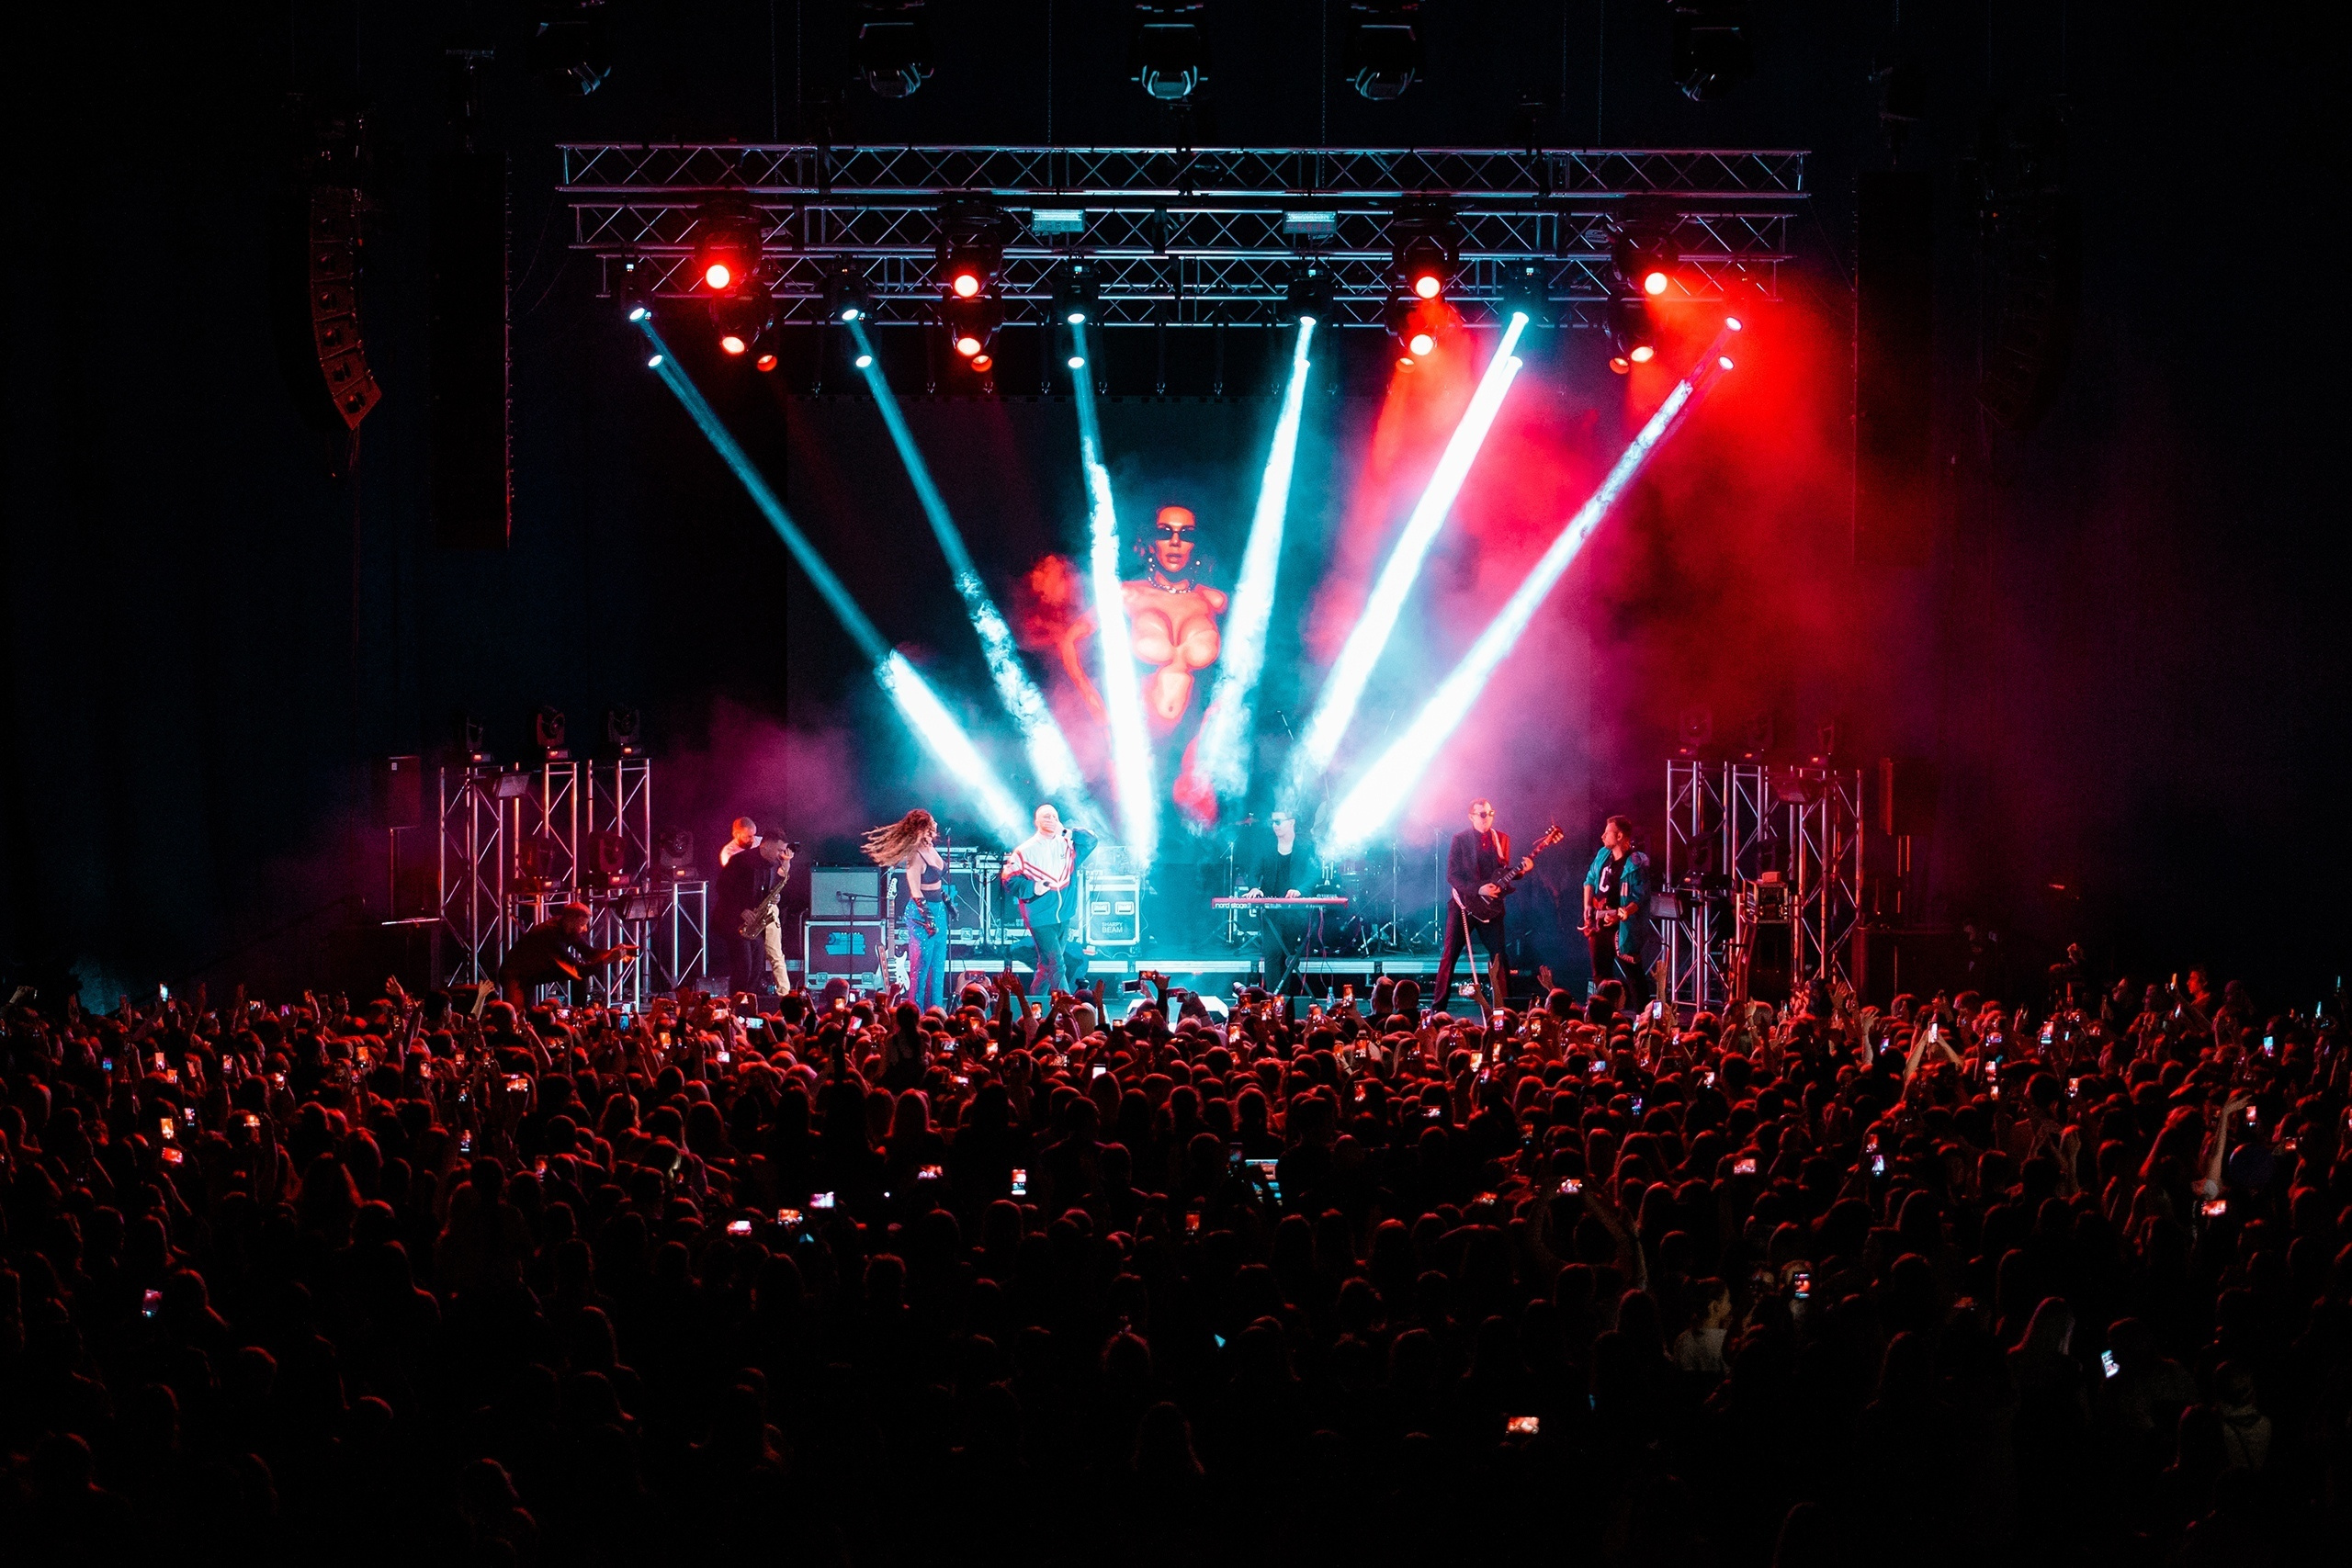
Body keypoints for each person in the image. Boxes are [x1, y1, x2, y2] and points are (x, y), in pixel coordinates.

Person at [1059, 504, 1227, 729]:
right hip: (1135, 733)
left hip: (1197, 736)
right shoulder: (1128, 595)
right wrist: (1093, 703)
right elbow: (1070, 641)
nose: (1175, 541)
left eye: (1186, 534)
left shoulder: (1214, 601)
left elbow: (1247, 659)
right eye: (1164, 532)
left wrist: (1220, 710)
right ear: (1150, 542)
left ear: (1195, 544)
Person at [1434, 799, 1530, 1013]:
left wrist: (1522, 871)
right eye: (1483, 814)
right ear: (1472, 817)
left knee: (1499, 957)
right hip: (1464, 905)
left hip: (1491, 909)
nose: (1488, 818)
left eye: (1491, 813)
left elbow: (1503, 873)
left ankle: (1506, 1009)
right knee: (1449, 955)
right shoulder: (1460, 840)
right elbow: (1452, 875)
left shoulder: (1501, 839)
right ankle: (1437, 1009)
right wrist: (1478, 889)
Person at [1000, 803, 1098, 996]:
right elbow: (1008, 880)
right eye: (1046, 816)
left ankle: (1034, 1004)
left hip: (1064, 916)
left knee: (1046, 967)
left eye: (1054, 817)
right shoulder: (1025, 850)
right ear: (1036, 821)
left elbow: (1092, 840)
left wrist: (1067, 832)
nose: (1051, 820)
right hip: (1040, 918)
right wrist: (1033, 887)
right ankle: (1068, 1007)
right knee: (1057, 965)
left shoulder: (1068, 845)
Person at [865, 809, 949, 1013]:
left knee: (938, 967)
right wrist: (927, 917)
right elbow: (915, 889)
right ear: (923, 827)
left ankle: (936, 1012)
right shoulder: (915, 855)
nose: (936, 824)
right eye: (932, 821)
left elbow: (936, 882)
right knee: (921, 967)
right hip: (921, 914)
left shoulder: (931, 848)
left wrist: (946, 902)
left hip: (939, 910)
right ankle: (916, 1013)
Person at [495, 900, 637, 1009]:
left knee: (579, 979)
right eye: (582, 924)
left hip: (534, 971)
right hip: (515, 974)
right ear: (572, 920)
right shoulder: (550, 934)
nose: (585, 929)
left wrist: (612, 952)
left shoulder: (567, 928)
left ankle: (578, 1014)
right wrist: (608, 960)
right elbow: (578, 970)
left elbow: (590, 953)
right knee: (517, 1013)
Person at [1583, 814, 1657, 1010]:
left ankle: (1643, 1016)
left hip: (1622, 927)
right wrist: (1587, 906)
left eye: (1607, 832)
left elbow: (1640, 897)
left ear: (1619, 836)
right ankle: (1602, 1013)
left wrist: (1622, 913)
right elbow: (1589, 880)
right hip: (1599, 924)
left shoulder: (1635, 863)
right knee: (1600, 974)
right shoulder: (1603, 855)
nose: (1602, 836)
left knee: (1633, 973)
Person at [715, 817, 793, 995]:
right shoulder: (740, 861)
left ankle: (750, 1000)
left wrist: (774, 897)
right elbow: (721, 887)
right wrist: (741, 910)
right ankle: (737, 1002)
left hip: (752, 924)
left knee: (757, 963)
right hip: (732, 920)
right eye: (779, 850)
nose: (781, 854)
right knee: (744, 966)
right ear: (766, 846)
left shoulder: (771, 864)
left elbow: (767, 890)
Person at [1248, 809, 1316, 995]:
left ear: (1291, 822)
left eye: (1278, 821)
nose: (1274, 826)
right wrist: (1254, 888)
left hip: (1295, 911)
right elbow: (1253, 873)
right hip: (1271, 910)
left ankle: (1283, 998)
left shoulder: (1305, 847)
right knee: (1271, 953)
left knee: (1288, 953)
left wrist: (1300, 890)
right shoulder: (1266, 847)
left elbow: (1314, 873)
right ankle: (1272, 997)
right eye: (1273, 822)